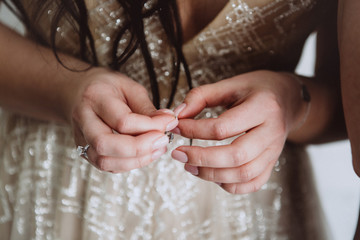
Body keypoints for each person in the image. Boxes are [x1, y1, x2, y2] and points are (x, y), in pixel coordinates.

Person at [0, 0, 347, 239]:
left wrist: (292, 101)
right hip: (50, 191)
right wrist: (65, 90)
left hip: (250, 212)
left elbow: (350, 106)